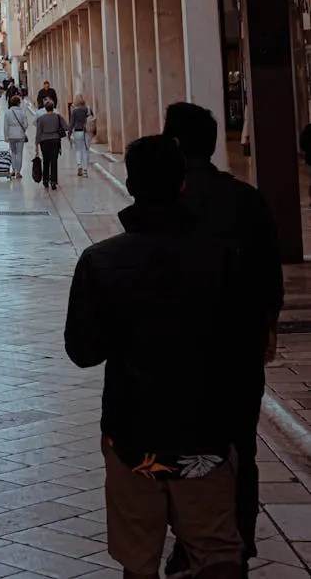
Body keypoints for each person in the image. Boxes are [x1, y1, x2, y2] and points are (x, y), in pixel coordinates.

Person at [65, 135, 244, 579]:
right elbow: (244, 343)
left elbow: (83, 351)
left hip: (133, 434)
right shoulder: (222, 256)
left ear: (130, 185)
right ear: (182, 184)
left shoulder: (99, 261)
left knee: (138, 557)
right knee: (215, 553)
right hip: (205, 430)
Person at [163, 102, 283, 577]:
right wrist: (267, 328)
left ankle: (191, 542)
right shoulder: (245, 200)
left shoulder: (166, 205)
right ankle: (240, 538)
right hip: (238, 349)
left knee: (184, 448)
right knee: (241, 448)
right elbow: (268, 273)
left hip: (182, 356)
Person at [35, 98, 67, 191]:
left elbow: (38, 133)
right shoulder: (57, 116)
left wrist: (36, 144)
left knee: (46, 160)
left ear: (45, 108)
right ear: (53, 107)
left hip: (44, 141)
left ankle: (45, 180)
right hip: (55, 140)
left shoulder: (41, 119)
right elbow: (66, 127)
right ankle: (53, 181)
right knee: (54, 160)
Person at [3, 94, 29, 179]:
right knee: (19, 153)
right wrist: (22, 130)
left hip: (11, 135)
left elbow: (5, 126)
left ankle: (13, 170)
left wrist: (6, 136)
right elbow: (26, 124)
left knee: (13, 153)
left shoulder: (8, 112)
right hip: (20, 134)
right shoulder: (22, 112)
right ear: (19, 103)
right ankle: (18, 172)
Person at [70, 92, 92, 178]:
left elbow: (71, 123)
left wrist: (69, 132)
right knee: (85, 150)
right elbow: (92, 120)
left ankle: (79, 165)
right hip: (87, 132)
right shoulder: (88, 109)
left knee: (78, 149)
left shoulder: (74, 111)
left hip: (77, 131)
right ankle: (85, 171)